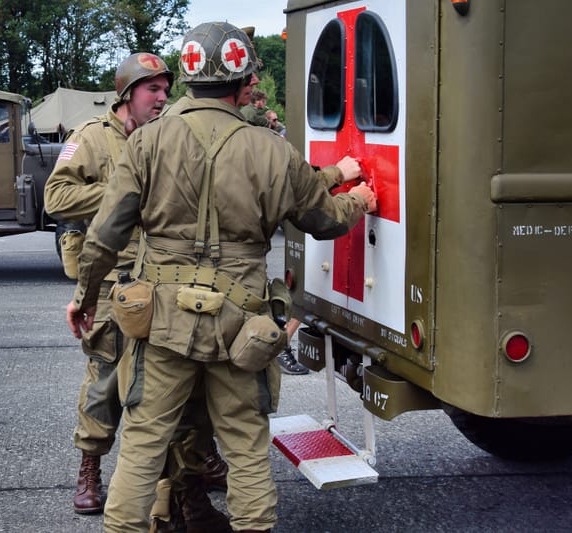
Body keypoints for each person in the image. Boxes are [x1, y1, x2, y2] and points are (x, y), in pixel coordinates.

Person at [65, 21, 377, 533]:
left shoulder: (144, 144)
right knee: (246, 445)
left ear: (188, 76)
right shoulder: (272, 149)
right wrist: (359, 201)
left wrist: (85, 296)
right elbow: (323, 219)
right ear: (243, 78)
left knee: (143, 441)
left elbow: (104, 235)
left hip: (161, 322)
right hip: (241, 324)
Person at [44, 52, 229, 532]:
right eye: (154, 90)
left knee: (167, 385)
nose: (164, 98)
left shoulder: (165, 137)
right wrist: (123, 190)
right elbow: (56, 197)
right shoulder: (89, 137)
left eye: (167, 90)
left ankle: (184, 480)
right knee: (105, 378)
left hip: (160, 280)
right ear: (128, 93)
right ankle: (90, 468)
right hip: (109, 281)